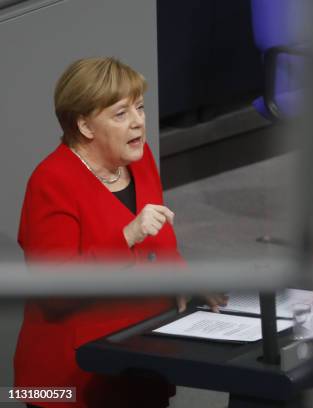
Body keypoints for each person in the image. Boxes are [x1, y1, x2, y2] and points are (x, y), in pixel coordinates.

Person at [14, 57, 218, 408]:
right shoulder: (51, 182)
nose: (139, 121)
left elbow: (161, 243)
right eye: (121, 113)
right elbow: (54, 292)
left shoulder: (139, 159)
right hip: (72, 382)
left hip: (143, 361)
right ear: (85, 125)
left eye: (139, 107)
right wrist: (125, 238)